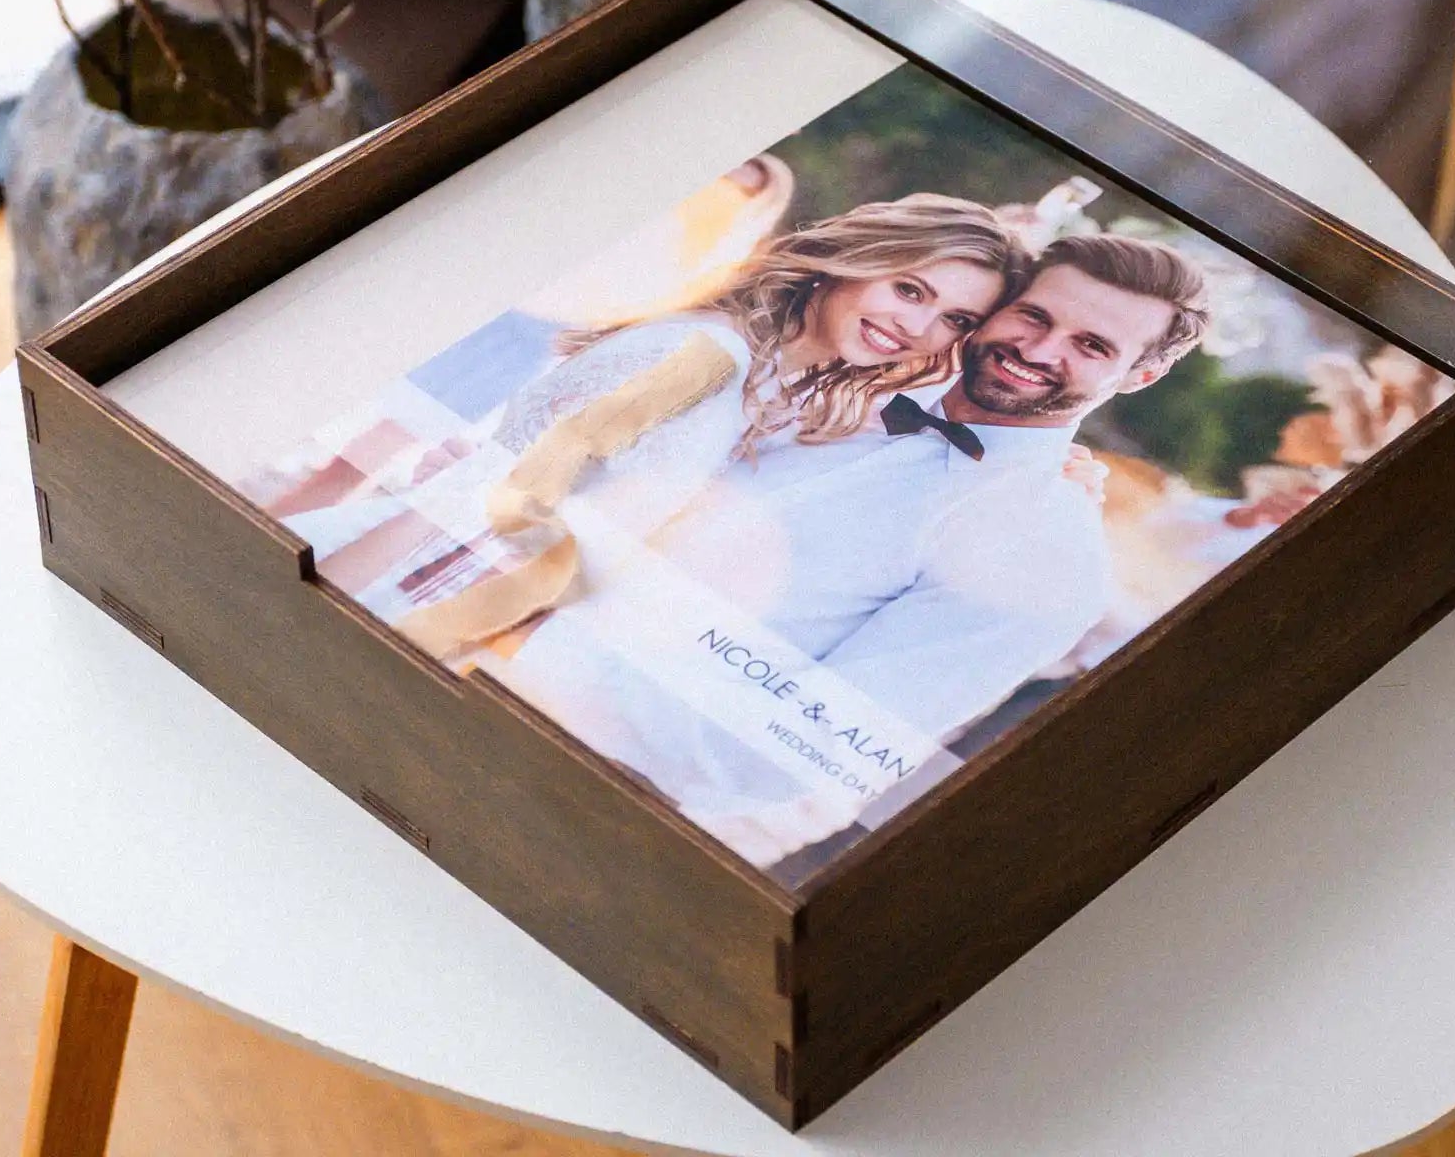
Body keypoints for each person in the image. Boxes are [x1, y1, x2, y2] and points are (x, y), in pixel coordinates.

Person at [474, 227, 1214, 867]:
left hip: (590, 788)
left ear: (1141, 375)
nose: (1039, 349)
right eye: (1033, 316)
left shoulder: (1045, 554)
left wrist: (533, 646)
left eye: (1090, 346)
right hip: (471, 641)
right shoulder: (856, 383)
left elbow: (792, 750)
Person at [296, 193, 1029, 610]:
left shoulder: (786, 385)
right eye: (909, 289)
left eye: (955, 321)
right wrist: (331, 607)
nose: (918, 328)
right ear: (856, 262)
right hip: (401, 588)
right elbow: (476, 500)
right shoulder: (707, 357)